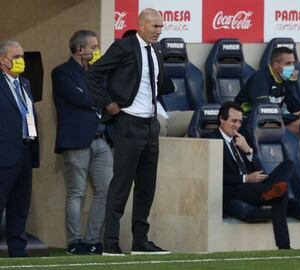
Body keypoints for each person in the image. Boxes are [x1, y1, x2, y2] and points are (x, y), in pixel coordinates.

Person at [86, 9, 174, 255]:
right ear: (141, 25)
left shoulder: (157, 50)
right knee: (121, 184)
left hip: (150, 123)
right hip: (128, 122)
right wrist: (107, 102)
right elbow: (94, 74)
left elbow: (158, 81)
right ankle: (110, 242)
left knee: (147, 186)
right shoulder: (124, 47)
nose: (159, 30)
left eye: (161, 26)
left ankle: (140, 241)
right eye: (155, 26)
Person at [52, 30, 113, 255]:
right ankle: (75, 241)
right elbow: (81, 98)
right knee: (77, 192)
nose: (97, 51)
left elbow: (106, 95)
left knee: (106, 189)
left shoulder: (98, 73)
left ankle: (92, 240)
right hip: (76, 140)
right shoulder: (61, 73)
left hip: (100, 140)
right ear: (80, 50)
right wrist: (101, 99)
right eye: (93, 47)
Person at [207, 101, 294, 249]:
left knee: (289, 164)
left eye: (240, 121)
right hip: (236, 188)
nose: (237, 125)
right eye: (233, 121)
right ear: (222, 119)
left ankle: (271, 190)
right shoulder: (212, 140)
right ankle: (284, 246)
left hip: (254, 183)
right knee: (282, 195)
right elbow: (214, 174)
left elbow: (260, 170)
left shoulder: (242, 138)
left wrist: (248, 150)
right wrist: (245, 178)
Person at [0, 41, 39, 257]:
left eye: (22, 57)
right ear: (2, 60)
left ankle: (18, 252)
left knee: (20, 206)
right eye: (15, 57)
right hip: (4, 153)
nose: (20, 61)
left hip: (25, 150)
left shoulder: (24, 83)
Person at [121, 29, 193, 137]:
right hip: (142, 116)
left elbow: (169, 88)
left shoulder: (150, 64)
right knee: (159, 124)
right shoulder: (121, 69)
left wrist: (157, 66)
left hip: (163, 114)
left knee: (197, 118)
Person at [235, 47, 300, 135]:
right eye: (288, 63)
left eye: (293, 63)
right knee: (275, 124)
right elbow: (264, 109)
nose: (292, 67)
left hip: (272, 119)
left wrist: (291, 84)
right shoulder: (260, 77)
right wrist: (288, 117)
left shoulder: (286, 79)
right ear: (275, 65)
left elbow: (297, 109)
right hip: (248, 118)